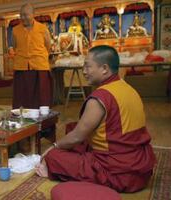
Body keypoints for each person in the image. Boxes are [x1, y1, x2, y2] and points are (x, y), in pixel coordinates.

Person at [35, 45, 156, 193]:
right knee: (72, 127)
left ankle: (57, 170)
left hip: (116, 172)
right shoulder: (127, 88)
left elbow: (76, 138)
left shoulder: (101, 98)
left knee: (54, 156)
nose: (84, 72)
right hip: (140, 169)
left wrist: (53, 147)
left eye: (88, 67)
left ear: (104, 68)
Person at [8, 3, 52, 109]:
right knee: (21, 97)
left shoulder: (43, 28)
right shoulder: (15, 30)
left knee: (41, 97)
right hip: (21, 67)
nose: (22, 18)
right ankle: (22, 119)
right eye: (21, 15)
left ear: (33, 14)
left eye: (25, 15)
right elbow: (14, 46)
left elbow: (48, 46)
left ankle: (43, 120)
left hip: (39, 66)